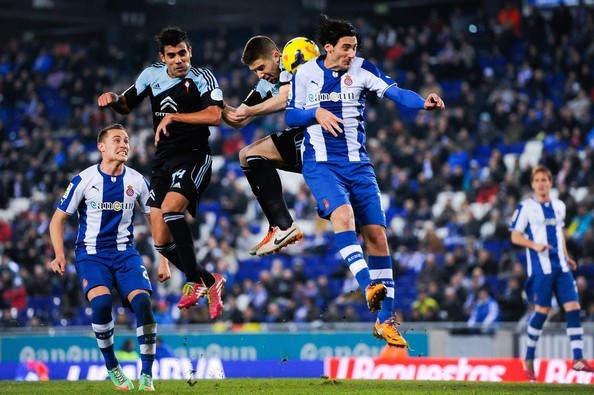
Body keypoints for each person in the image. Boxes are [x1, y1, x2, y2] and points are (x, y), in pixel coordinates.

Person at [285, 15, 444, 348]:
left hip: (359, 166)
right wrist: (315, 113)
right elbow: (290, 116)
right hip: (322, 164)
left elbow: (395, 92)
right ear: (328, 47)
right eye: (345, 47)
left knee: (378, 238)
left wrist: (422, 102)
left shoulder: (362, 68)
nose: (350, 53)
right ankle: (368, 284)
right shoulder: (305, 75)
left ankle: (385, 321)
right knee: (343, 216)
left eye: (354, 47)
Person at [98, 27, 225, 318]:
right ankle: (210, 280)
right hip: (163, 161)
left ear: (190, 51)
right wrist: (112, 98)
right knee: (161, 241)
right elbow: (126, 105)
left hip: (194, 156)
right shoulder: (151, 75)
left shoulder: (202, 78)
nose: (179, 59)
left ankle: (193, 282)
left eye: (183, 53)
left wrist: (174, 116)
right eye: (172, 55)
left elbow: (215, 115)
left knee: (171, 210)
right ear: (162, 57)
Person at [49, 124, 159, 391]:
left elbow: (153, 218)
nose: (124, 145)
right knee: (101, 304)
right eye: (117, 140)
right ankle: (112, 366)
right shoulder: (83, 180)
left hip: (125, 254)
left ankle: (146, 374)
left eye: (127, 141)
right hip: (91, 255)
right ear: (102, 147)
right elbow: (57, 219)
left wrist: (164, 258)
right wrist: (58, 255)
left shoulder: (137, 180)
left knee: (143, 302)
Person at [223, 36, 316, 256]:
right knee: (245, 155)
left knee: (252, 154)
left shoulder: (289, 64)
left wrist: (251, 111)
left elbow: (285, 99)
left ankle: (284, 225)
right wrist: (217, 105)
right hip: (305, 134)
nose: (260, 74)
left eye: (261, 67)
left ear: (276, 56)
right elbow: (239, 119)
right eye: (255, 71)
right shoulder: (266, 82)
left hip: (316, 134)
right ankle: (277, 227)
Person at [510, 165, 593, 382]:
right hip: (541, 268)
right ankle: (528, 358)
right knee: (542, 311)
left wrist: (566, 256)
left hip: (561, 267)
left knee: (573, 306)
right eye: (537, 180)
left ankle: (577, 357)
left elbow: (559, 233)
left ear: (550, 183)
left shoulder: (559, 206)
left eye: (544, 180)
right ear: (532, 184)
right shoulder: (526, 207)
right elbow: (515, 237)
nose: (541, 184)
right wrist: (534, 245)